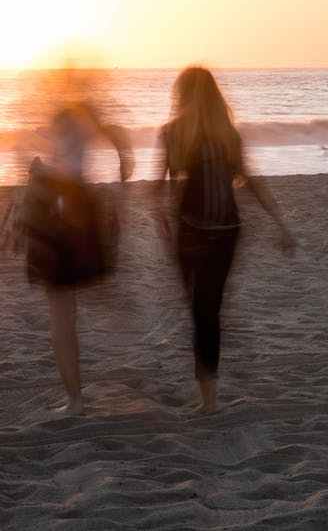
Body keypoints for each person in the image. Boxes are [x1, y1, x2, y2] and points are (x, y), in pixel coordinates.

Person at [153, 66, 295, 413]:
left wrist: (160, 217)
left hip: (191, 230)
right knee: (208, 309)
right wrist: (280, 222)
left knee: (199, 311)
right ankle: (209, 395)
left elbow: (157, 189)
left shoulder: (172, 133)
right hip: (226, 231)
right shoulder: (228, 135)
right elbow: (252, 181)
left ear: (182, 95)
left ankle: (209, 401)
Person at [1, 71, 133, 414]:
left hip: (60, 215)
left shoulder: (66, 114)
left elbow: (51, 165)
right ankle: (75, 397)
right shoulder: (80, 113)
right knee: (65, 310)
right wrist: (124, 161)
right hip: (73, 210)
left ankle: (75, 400)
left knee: (61, 315)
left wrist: (38, 171)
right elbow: (111, 135)